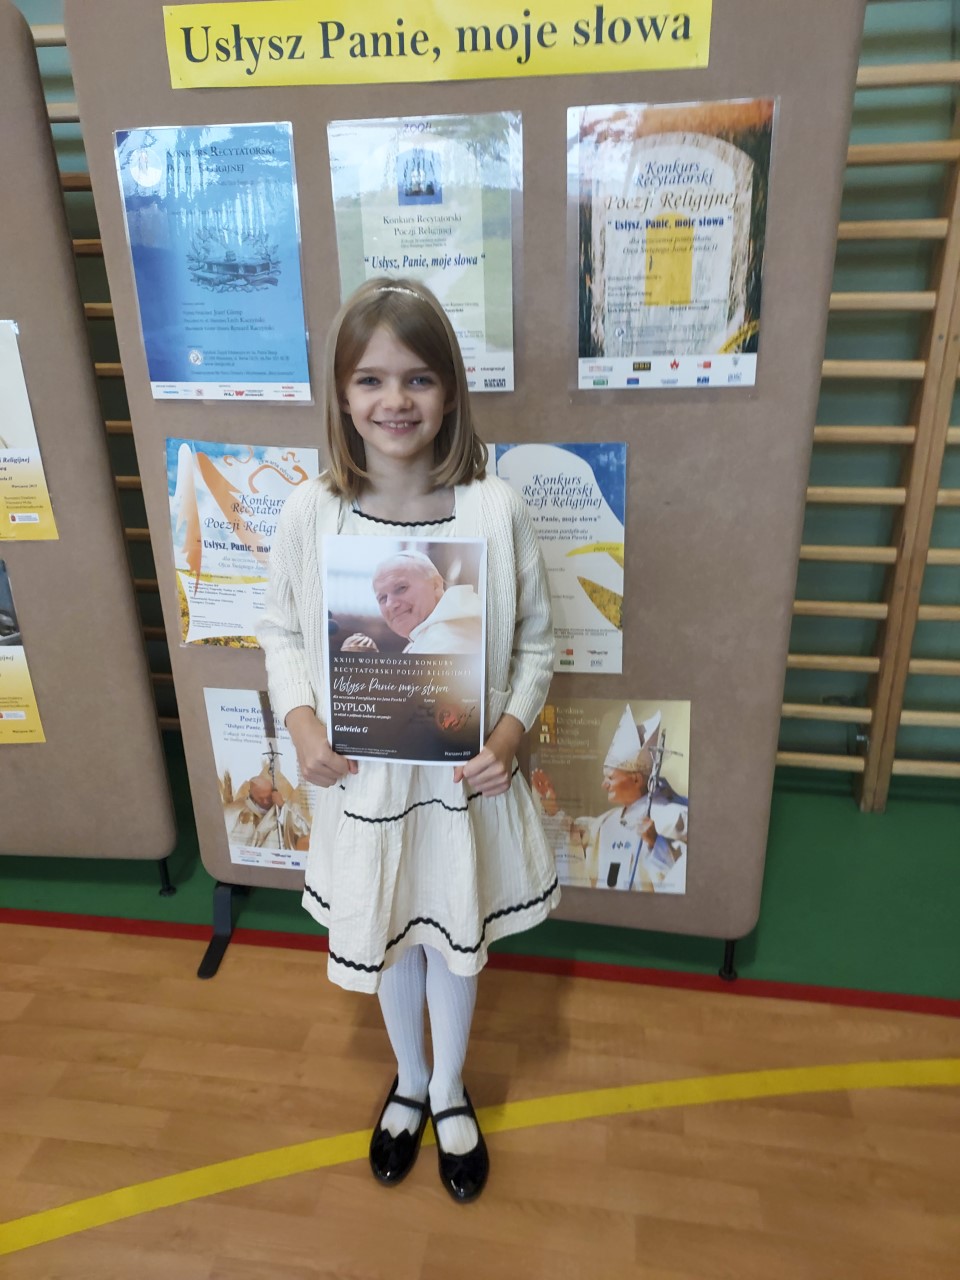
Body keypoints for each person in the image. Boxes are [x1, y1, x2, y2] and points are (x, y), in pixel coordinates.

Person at [257, 277, 558, 1204]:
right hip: (365, 787)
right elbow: (280, 630)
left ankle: (453, 1087)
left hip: (461, 786)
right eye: (372, 380)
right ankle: (412, 1083)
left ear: (451, 389)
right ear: (343, 395)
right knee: (391, 931)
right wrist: (301, 720)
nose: (396, 401)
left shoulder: (493, 509)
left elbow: (537, 642)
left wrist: (508, 732)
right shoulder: (313, 511)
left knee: (452, 936)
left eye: (418, 378)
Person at [531, 706, 688, 893]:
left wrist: (656, 843)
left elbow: (687, 875)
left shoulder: (674, 818)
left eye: (610, 777)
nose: (604, 785)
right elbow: (574, 844)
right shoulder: (606, 822)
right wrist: (552, 809)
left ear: (636, 779)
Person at [340, 548, 482, 655]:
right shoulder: (423, 638)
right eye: (382, 598)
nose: (390, 604)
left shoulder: (447, 639)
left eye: (401, 588)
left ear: (436, 585)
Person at [229, 773, 310, 853]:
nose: (265, 802)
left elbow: (304, 830)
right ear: (251, 795)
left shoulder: (290, 807)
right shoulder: (239, 809)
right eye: (260, 799)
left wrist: (282, 807)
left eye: (268, 797)